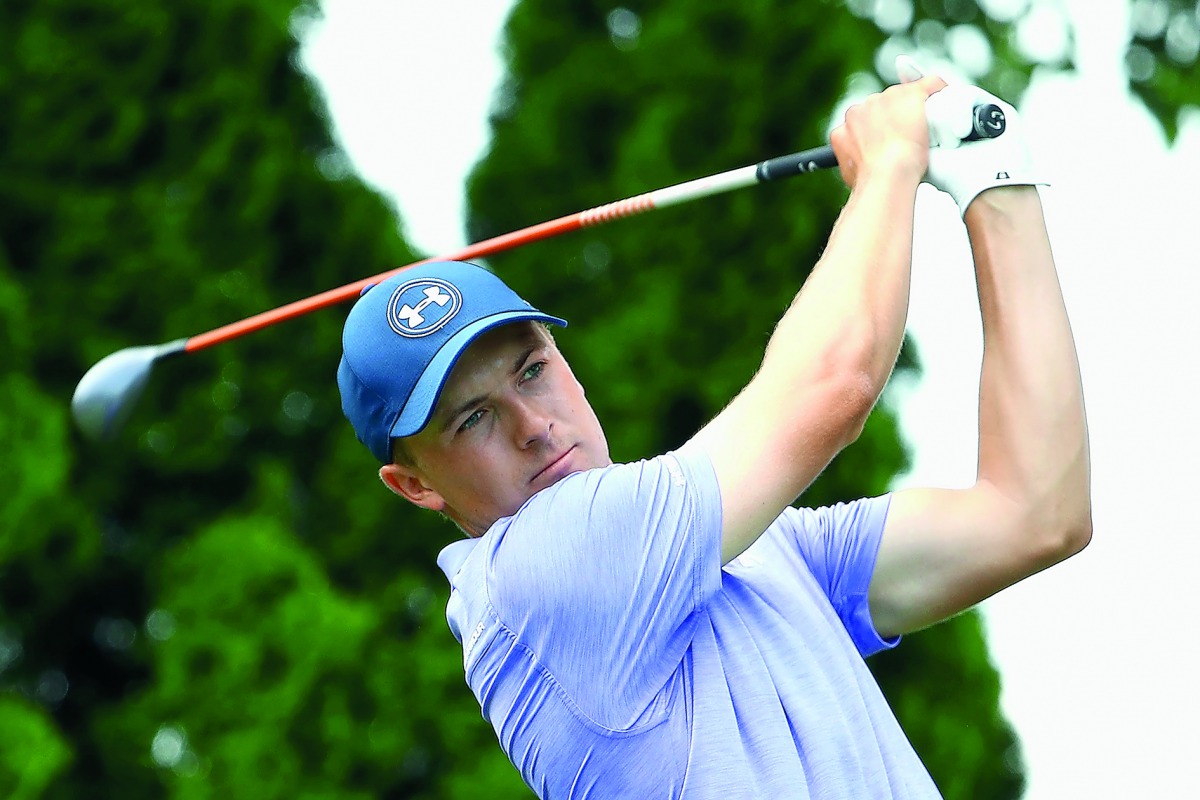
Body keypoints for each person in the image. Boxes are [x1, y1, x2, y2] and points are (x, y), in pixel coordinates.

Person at [336, 65, 1091, 799]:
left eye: (532, 369)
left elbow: (1035, 515)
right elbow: (835, 385)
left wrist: (999, 180)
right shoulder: (535, 574)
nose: (532, 426)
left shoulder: (764, 553)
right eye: (473, 419)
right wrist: (891, 165)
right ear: (415, 486)